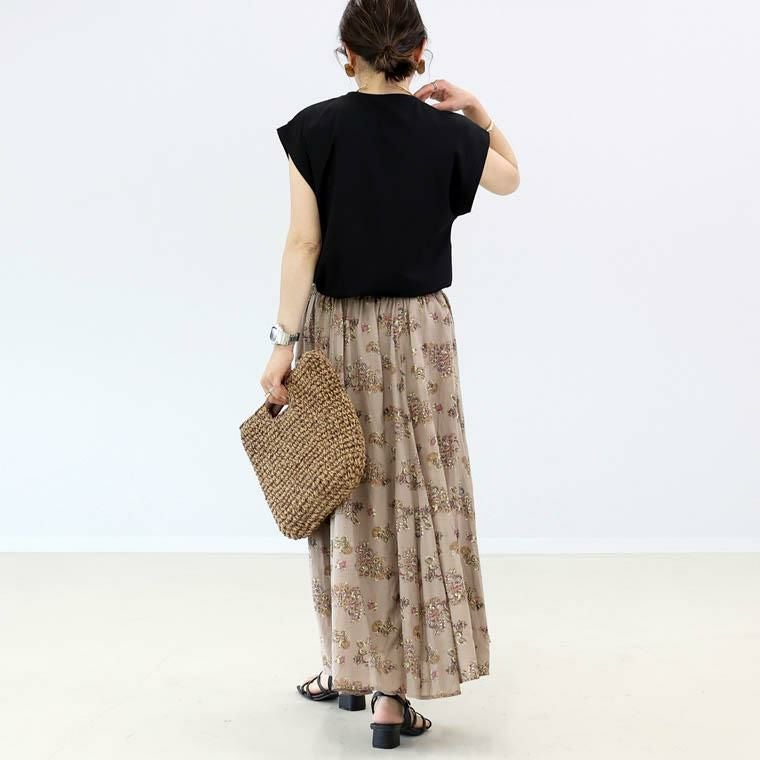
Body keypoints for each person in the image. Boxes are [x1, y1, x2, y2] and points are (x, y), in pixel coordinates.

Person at [261, 0, 519, 749]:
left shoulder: (314, 130)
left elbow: (303, 244)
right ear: (419, 52)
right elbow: (509, 179)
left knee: (342, 490)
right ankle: (390, 696)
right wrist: (476, 110)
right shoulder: (446, 134)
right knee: (414, 493)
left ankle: (347, 666)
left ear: (347, 54)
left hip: (336, 332)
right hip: (420, 336)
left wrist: (282, 343)